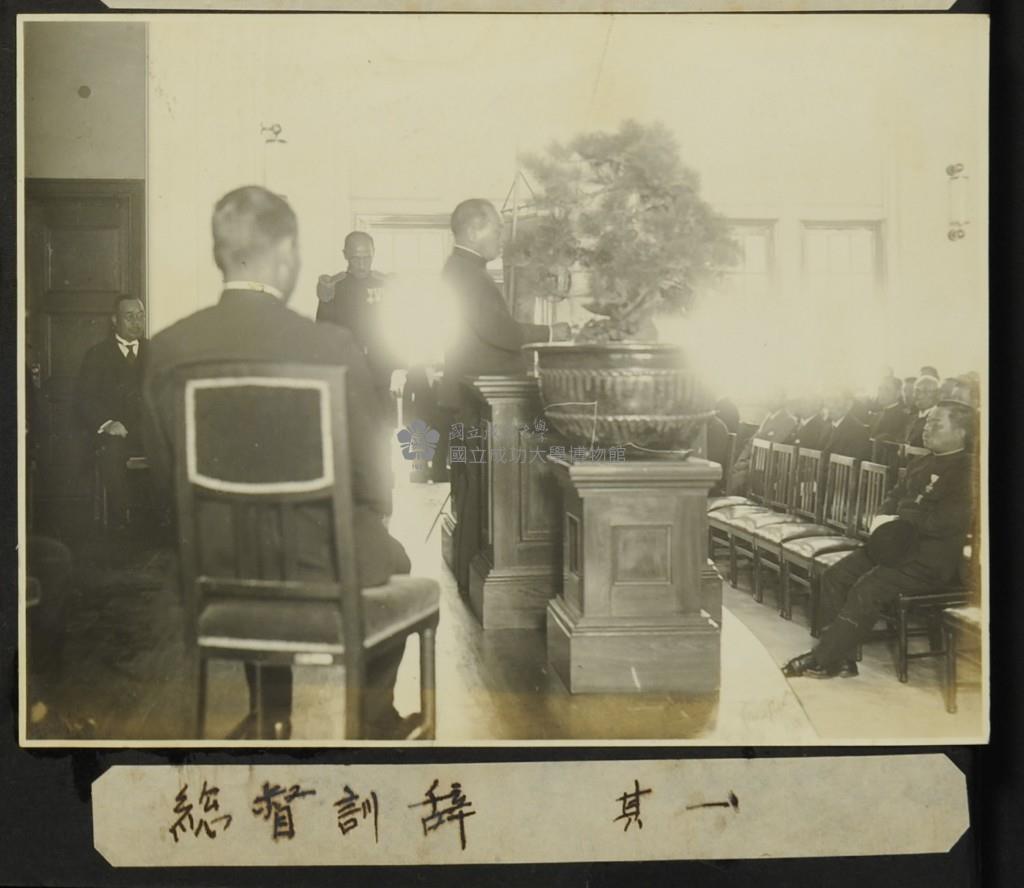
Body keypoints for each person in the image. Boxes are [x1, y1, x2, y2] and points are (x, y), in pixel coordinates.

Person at [142, 186, 414, 740]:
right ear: (287, 253)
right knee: (398, 558)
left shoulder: (168, 349)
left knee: (256, 555)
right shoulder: (331, 347)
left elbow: (163, 479)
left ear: (219, 253)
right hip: (325, 565)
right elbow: (372, 481)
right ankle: (374, 718)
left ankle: (270, 712)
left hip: (218, 566)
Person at [782, 402, 975, 679]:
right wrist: (885, 516)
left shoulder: (969, 471)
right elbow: (893, 496)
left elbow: (944, 522)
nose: (926, 428)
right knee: (834, 576)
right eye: (928, 422)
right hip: (893, 546)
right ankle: (843, 660)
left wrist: (901, 516)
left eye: (936, 423)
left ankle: (823, 658)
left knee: (867, 589)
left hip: (929, 560)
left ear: (961, 431)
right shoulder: (922, 461)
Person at [437, 198, 571, 592]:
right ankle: (472, 586)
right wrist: (551, 333)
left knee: (474, 496)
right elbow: (500, 332)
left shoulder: (463, 269)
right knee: (477, 497)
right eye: (497, 230)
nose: (501, 238)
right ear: (474, 230)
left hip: (474, 398)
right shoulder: (468, 274)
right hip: (481, 401)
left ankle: (470, 584)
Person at [75, 295, 148, 528]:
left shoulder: (156, 352)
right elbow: (85, 399)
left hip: (148, 431)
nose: (136, 322)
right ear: (115, 320)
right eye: (129, 317)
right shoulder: (97, 354)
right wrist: (108, 423)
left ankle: (163, 519)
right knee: (112, 451)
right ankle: (123, 518)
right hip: (115, 432)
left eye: (140, 316)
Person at [316, 231, 399, 424]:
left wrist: (399, 368)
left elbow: (398, 329)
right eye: (356, 258)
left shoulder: (386, 284)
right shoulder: (334, 287)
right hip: (348, 374)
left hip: (381, 374)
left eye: (367, 258)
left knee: (383, 430)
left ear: (374, 252)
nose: (362, 265)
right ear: (345, 255)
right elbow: (324, 332)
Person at [727, 388, 796, 494]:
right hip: (755, 464)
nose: (769, 399)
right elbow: (751, 442)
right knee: (730, 474)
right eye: (768, 396)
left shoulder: (789, 420)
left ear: (783, 399)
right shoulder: (768, 417)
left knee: (735, 480)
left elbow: (771, 447)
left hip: (770, 467)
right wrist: (740, 460)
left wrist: (747, 464)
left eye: (773, 397)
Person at [821, 388, 871, 460]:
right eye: (828, 400)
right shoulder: (826, 427)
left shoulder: (858, 432)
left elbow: (853, 464)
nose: (830, 405)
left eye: (836, 401)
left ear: (848, 405)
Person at [869, 375, 910, 443]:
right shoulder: (877, 415)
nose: (881, 393)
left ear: (898, 393)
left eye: (887, 389)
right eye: (880, 389)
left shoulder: (903, 417)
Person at [904, 375, 941, 447]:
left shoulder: (937, 420)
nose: (919, 396)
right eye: (917, 391)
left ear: (936, 394)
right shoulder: (910, 417)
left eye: (925, 391)